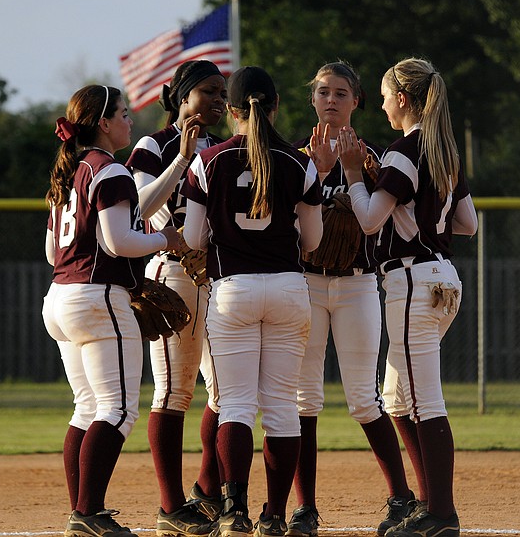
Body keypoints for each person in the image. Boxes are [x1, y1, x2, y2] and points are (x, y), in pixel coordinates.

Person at [336, 58, 478, 537]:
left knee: (423, 400)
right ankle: (427, 504)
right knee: (398, 399)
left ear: (402, 98)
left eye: (382, 95)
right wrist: (410, 203)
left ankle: (442, 513)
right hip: (442, 277)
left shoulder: (404, 150)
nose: (379, 103)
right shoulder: (443, 152)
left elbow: (371, 219)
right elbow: (468, 224)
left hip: (413, 280)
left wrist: (356, 175)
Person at [180, 66, 324, 537]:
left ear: (235, 112)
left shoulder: (209, 161)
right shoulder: (300, 163)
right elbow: (314, 242)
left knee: (236, 405)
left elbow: (194, 236)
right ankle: (276, 517)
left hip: (233, 291)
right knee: (282, 405)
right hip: (287, 288)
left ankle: (233, 512)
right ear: (277, 106)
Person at [42, 84, 180, 537]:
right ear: (103, 122)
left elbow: (50, 252)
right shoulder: (111, 170)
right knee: (119, 409)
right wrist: (166, 240)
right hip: (97, 297)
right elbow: (121, 243)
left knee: (87, 408)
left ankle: (82, 510)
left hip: (60, 297)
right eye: (123, 114)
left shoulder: (68, 172)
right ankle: (88, 512)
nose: (129, 121)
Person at [287, 61, 415, 537]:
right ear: (312, 99)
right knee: (305, 399)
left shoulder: (376, 157)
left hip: (360, 282)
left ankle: (401, 498)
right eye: (323, 92)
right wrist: (320, 179)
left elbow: (385, 218)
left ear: (357, 101)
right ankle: (306, 509)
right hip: (307, 281)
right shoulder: (297, 156)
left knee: (365, 398)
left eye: (342, 93)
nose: (331, 100)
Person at [124, 60, 228, 536]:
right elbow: (139, 210)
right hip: (176, 273)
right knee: (174, 390)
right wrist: (182, 158)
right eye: (207, 90)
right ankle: (171, 507)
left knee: (229, 391)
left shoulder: (228, 146)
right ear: (182, 95)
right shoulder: (155, 144)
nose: (217, 99)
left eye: (221, 91)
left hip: (223, 277)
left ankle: (207, 490)